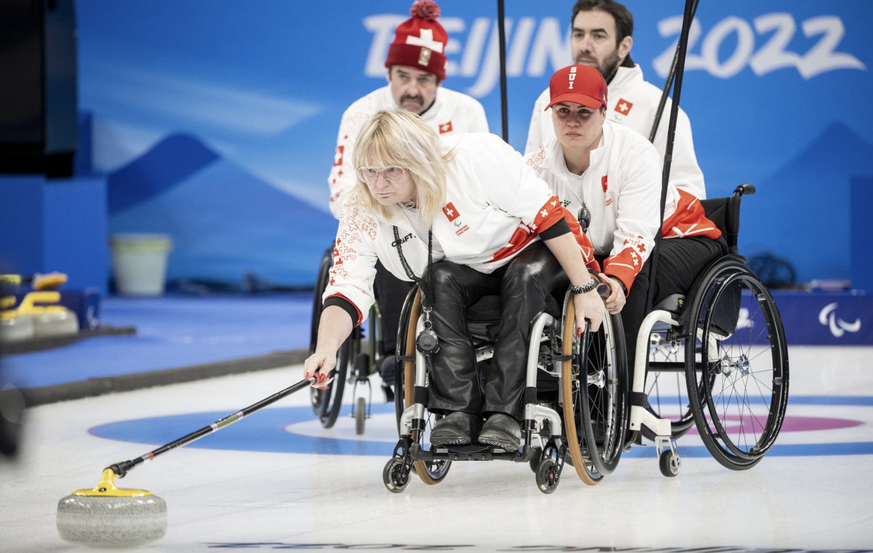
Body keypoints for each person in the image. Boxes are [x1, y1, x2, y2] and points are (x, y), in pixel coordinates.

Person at [306, 110, 605, 452]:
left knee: (523, 277)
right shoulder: (360, 207)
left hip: (533, 249)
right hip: (467, 266)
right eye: (369, 171)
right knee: (437, 278)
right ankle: (458, 411)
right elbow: (346, 287)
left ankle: (505, 413)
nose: (378, 183)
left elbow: (549, 216)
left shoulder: (475, 159)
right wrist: (326, 350)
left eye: (391, 170)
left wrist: (585, 287)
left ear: (417, 163)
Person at [327, 0, 489, 400]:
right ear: (388, 73)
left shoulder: (467, 112)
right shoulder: (361, 112)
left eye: (424, 79)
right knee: (393, 239)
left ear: (439, 80)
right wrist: (384, 211)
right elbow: (342, 187)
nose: (412, 89)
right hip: (388, 221)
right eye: (402, 76)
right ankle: (395, 353)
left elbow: (483, 181)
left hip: (453, 227)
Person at [525, 64, 725, 385]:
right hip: (601, 249)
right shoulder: (534, 167)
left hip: (681, 235)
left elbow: (637, 235)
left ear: (605, 113)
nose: (572, 120)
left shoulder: (634, 153)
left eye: (584, 111)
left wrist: (615, 280)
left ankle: (620, 401)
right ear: (550, 114)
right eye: (562, 111)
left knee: (632, 278)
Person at [525, 0, 706, 200]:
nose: (585, 46)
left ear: (624, 47)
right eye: (578, 34)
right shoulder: (548, 98)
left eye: (598, 36)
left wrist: (635, 210)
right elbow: (530, 178)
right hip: (557, 229)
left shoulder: (659, 108)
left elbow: (691, 198)